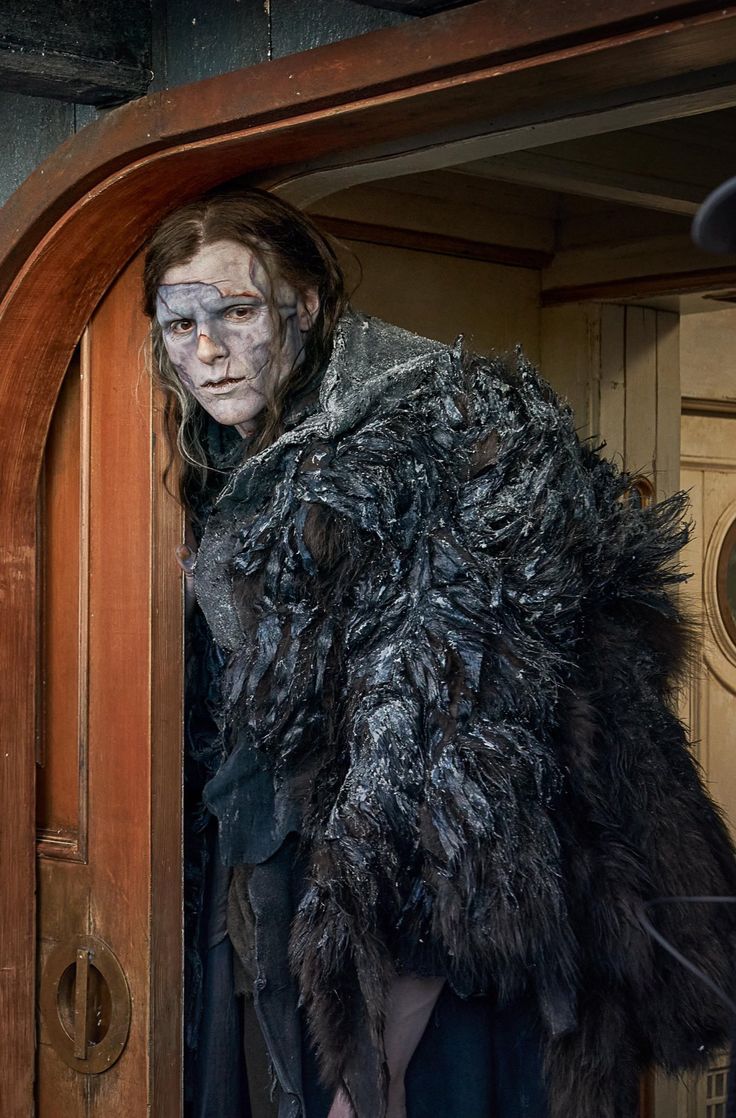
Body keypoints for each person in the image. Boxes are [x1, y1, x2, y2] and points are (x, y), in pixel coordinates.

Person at [144, 187, 736, 1118]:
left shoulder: (440, 429)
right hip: (285, 879)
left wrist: (372, 1056)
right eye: (181, 326)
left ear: (305, 305)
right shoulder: (231, 462)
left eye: (238, 312)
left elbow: (452, 770)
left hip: (435, 922)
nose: (208, 350)